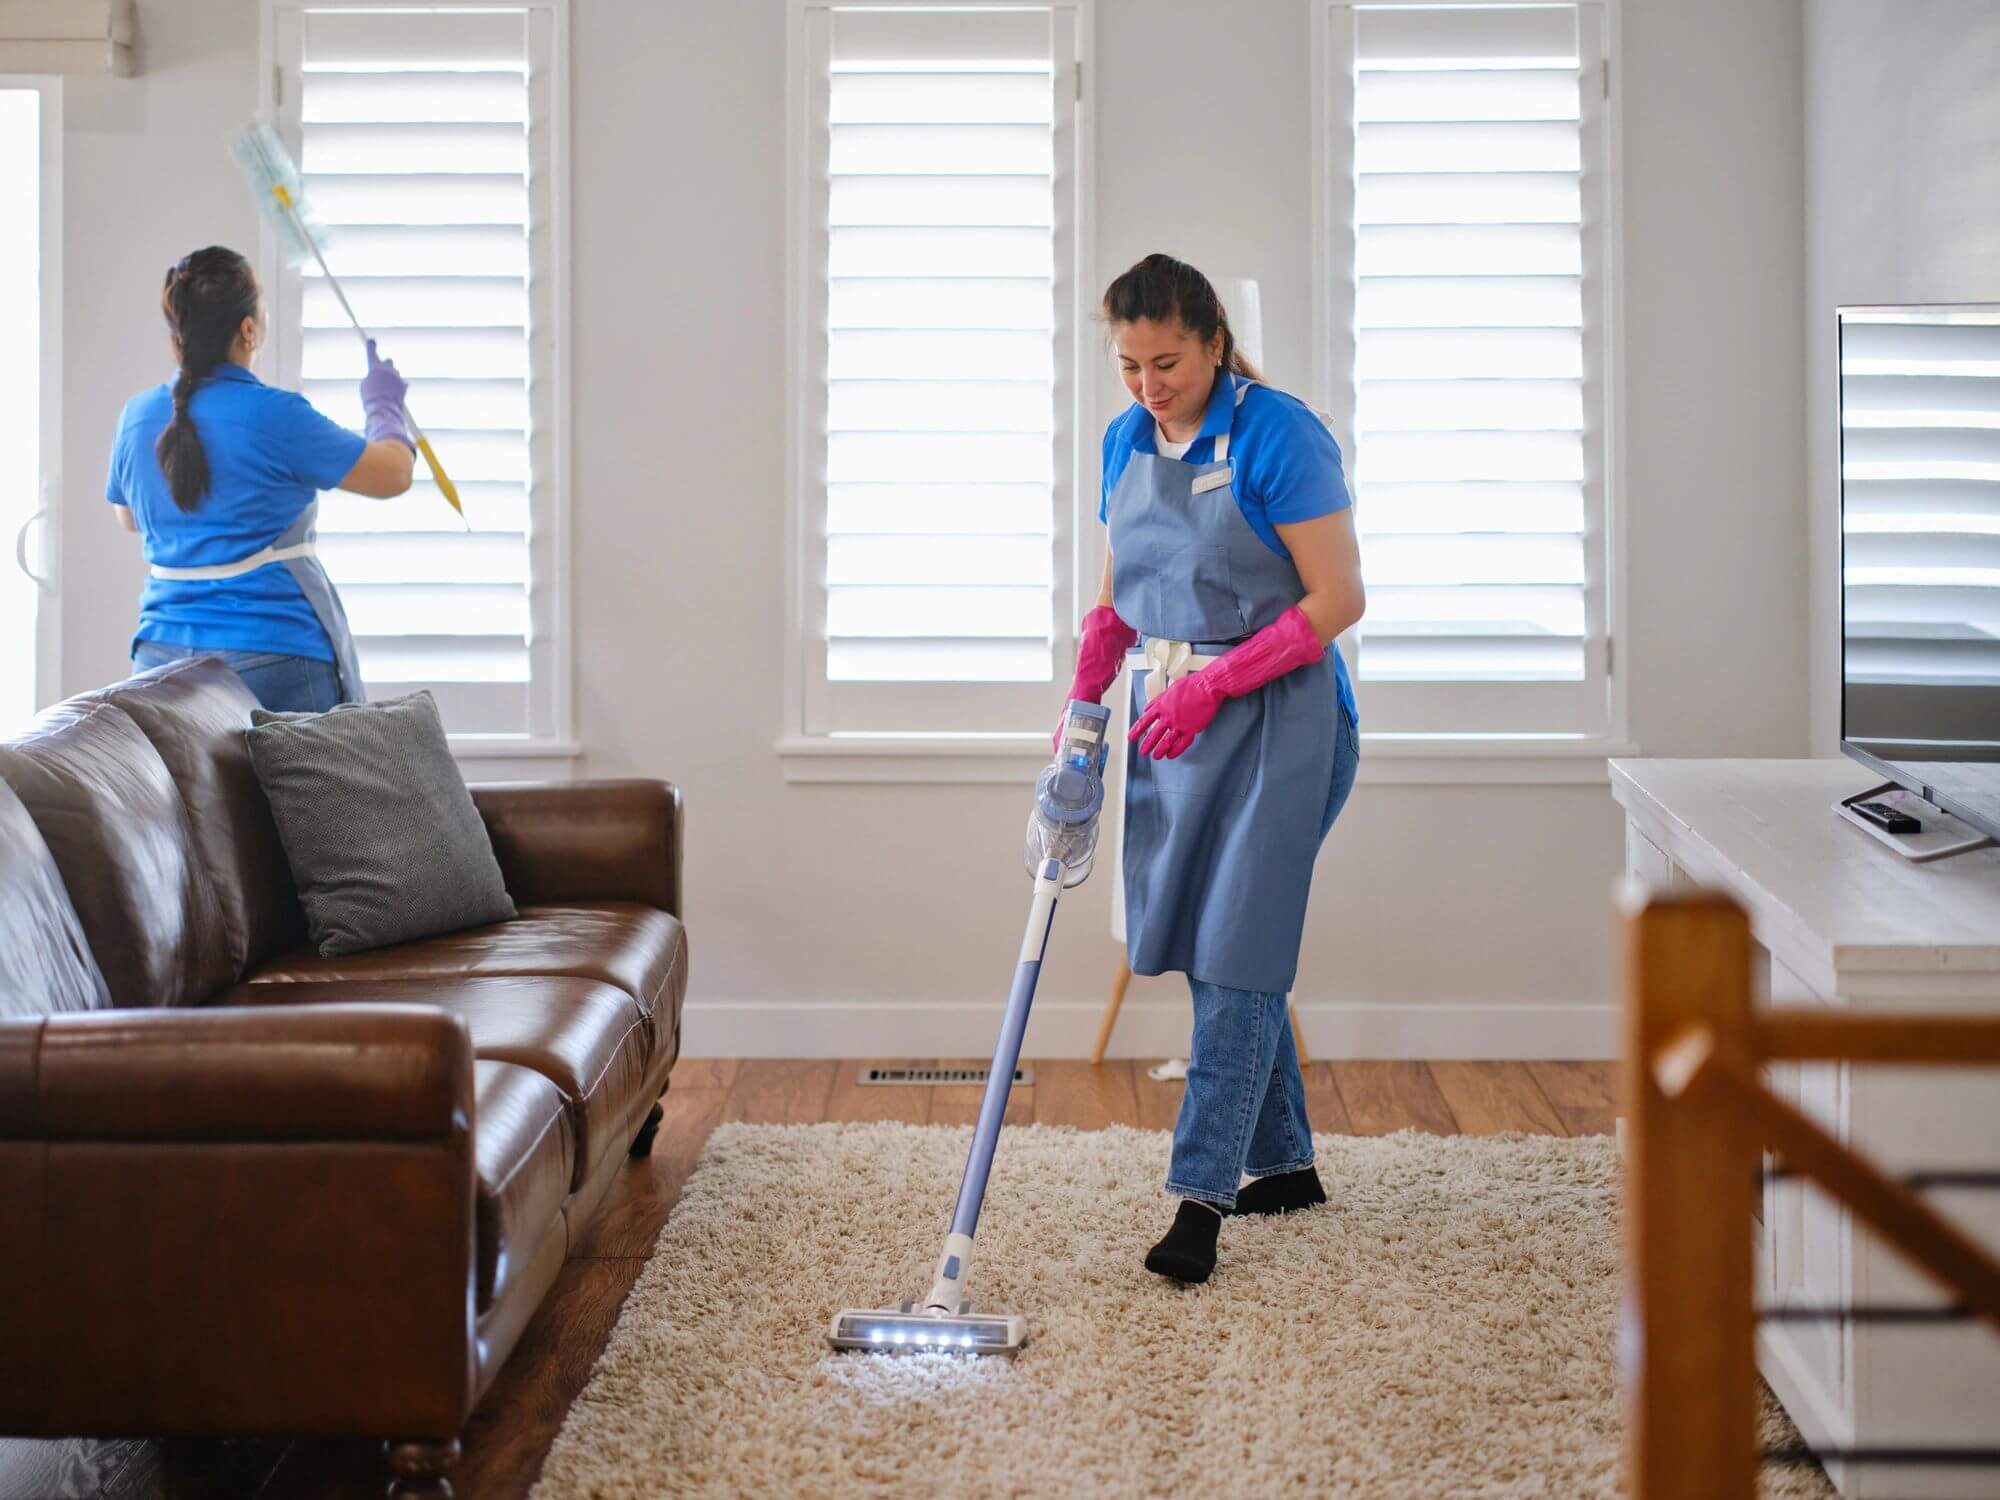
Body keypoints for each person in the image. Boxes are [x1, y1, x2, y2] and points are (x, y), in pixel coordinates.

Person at [1062, 253, 1365, 1284]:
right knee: (1213, 937)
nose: (1150, 386)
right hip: (1174, 721)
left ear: (1214, 343)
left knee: (1237, 947)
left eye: (1168, 363)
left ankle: (1198, 1203)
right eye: (1129, 365)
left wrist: (1213, 685)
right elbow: (1117, 590)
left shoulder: (1279, 434)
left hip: (1283, 721)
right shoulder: (1125, 440)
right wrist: (1085, 690)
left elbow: (1336, 600)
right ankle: (1282, 1162)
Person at [105, 245, 419, 712]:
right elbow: (393, 473)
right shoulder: (276, 416)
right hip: (274, 656)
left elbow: (129, 517)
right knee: (308, 789)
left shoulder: (136, 417)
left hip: (159, 660)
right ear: (249, 330)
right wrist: (383, 404)